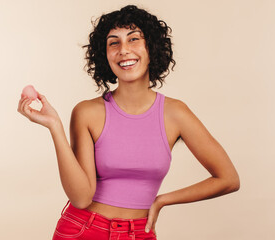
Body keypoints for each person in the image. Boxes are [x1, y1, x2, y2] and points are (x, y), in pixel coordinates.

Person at [17, 5, 240, 240]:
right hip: (84, 229)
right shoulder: (86, 112)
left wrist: (163, 200)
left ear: (151, 47)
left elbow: (228, 179)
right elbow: (81, 198)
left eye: (133, 39)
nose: (123, 50)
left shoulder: (176, 113)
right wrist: (55, 127)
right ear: (105, 56)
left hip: (140, 232)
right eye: (114, 43)